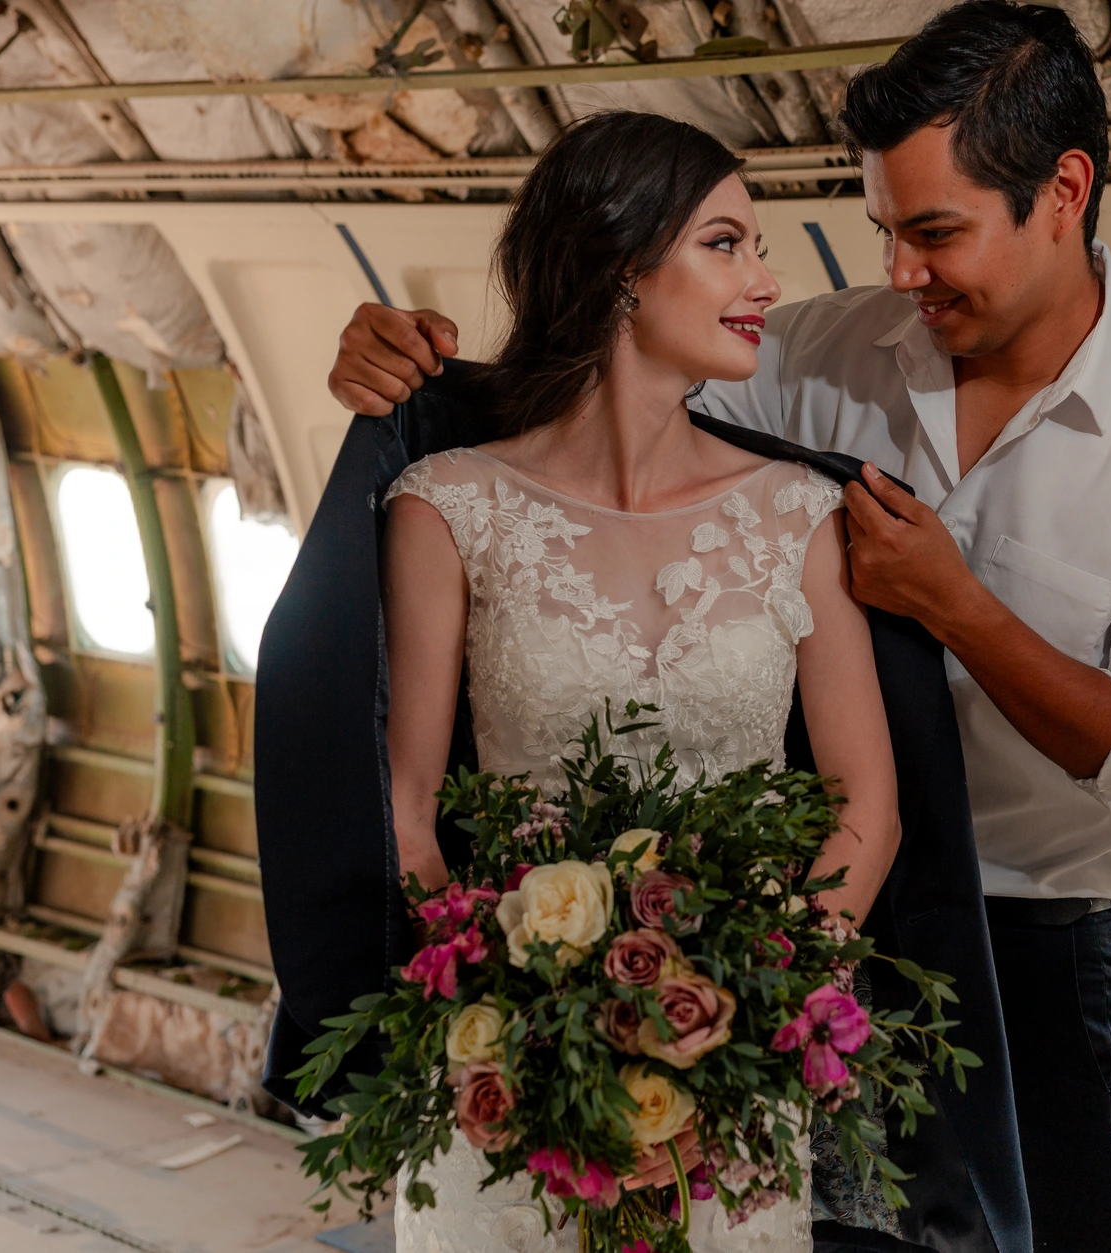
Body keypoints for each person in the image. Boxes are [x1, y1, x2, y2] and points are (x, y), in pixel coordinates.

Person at [329, 4, 1111, 1249]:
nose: (897, 271)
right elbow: (601, 385)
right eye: (886, 230)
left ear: (1062, 193)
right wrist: (399, 367)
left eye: (935, 233)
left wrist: (956, 606)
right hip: (762, 925)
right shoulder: (814, 355)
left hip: (1027, 944)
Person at [377, 110, 904, 1252]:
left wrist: (757, 1002)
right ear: (622, 267)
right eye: (727, 243)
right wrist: (509, 1000)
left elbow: (867, 799)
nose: (764, 278)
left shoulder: (796, 517)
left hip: (734, 1072)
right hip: (513, 1065)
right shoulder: (448, 507)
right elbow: (411, 803)